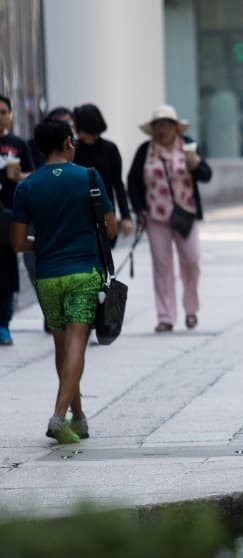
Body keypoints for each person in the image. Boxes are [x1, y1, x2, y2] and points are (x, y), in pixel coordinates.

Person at [10, 118, 117, 443]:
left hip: (48, 277)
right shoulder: (88, 177)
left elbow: (18, 243)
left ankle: (80, 417)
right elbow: (110, 229)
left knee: (63, 346)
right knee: (76, 346)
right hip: (84, 272)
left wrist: (44, 243)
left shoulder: (27, 187)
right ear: (69, 142)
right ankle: (59, 416)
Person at [127, 104, 212, 333]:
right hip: (156, 216)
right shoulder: (146, 150)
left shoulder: (188, 146)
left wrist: (195, 165)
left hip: (186, 214)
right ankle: (165, 316)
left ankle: (191, 309)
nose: (162, 130)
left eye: (167, 125)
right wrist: (138, 209)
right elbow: (133, 181)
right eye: (158, 125)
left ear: (176, 128)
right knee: (162, 265)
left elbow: (206, 175)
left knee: (192, 261)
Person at [0, 94, 36, 346]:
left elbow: (33, 176)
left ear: (11, 115)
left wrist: (18, 177)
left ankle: (4, 323)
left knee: (7, 270)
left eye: (3, 111)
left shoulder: (18, 144)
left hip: (9, 216)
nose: (0, 116)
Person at [73, 104, 132, 245]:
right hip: (79, 210)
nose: (74, 127)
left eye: (76, 123)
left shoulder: (109, 149)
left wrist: (126, 216)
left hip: (105, 210)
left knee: (104, 256)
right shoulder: (73, 148)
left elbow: (118, 184)